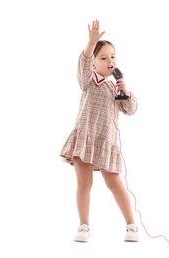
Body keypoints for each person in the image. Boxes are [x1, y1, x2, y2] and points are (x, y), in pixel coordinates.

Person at [60, 19, 139, 242]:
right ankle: (84, 225)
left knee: (114, 182)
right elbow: (82, 62)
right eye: (103, 58)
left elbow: (131, 109)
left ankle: (131, 225)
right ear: (94, 64)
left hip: (106, 141)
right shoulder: (88, 81)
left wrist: (126, 91)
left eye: (113, 56)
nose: (109, 61)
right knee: (84, 183)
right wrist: (90, 43)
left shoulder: (116, 86)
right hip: (85, 136)